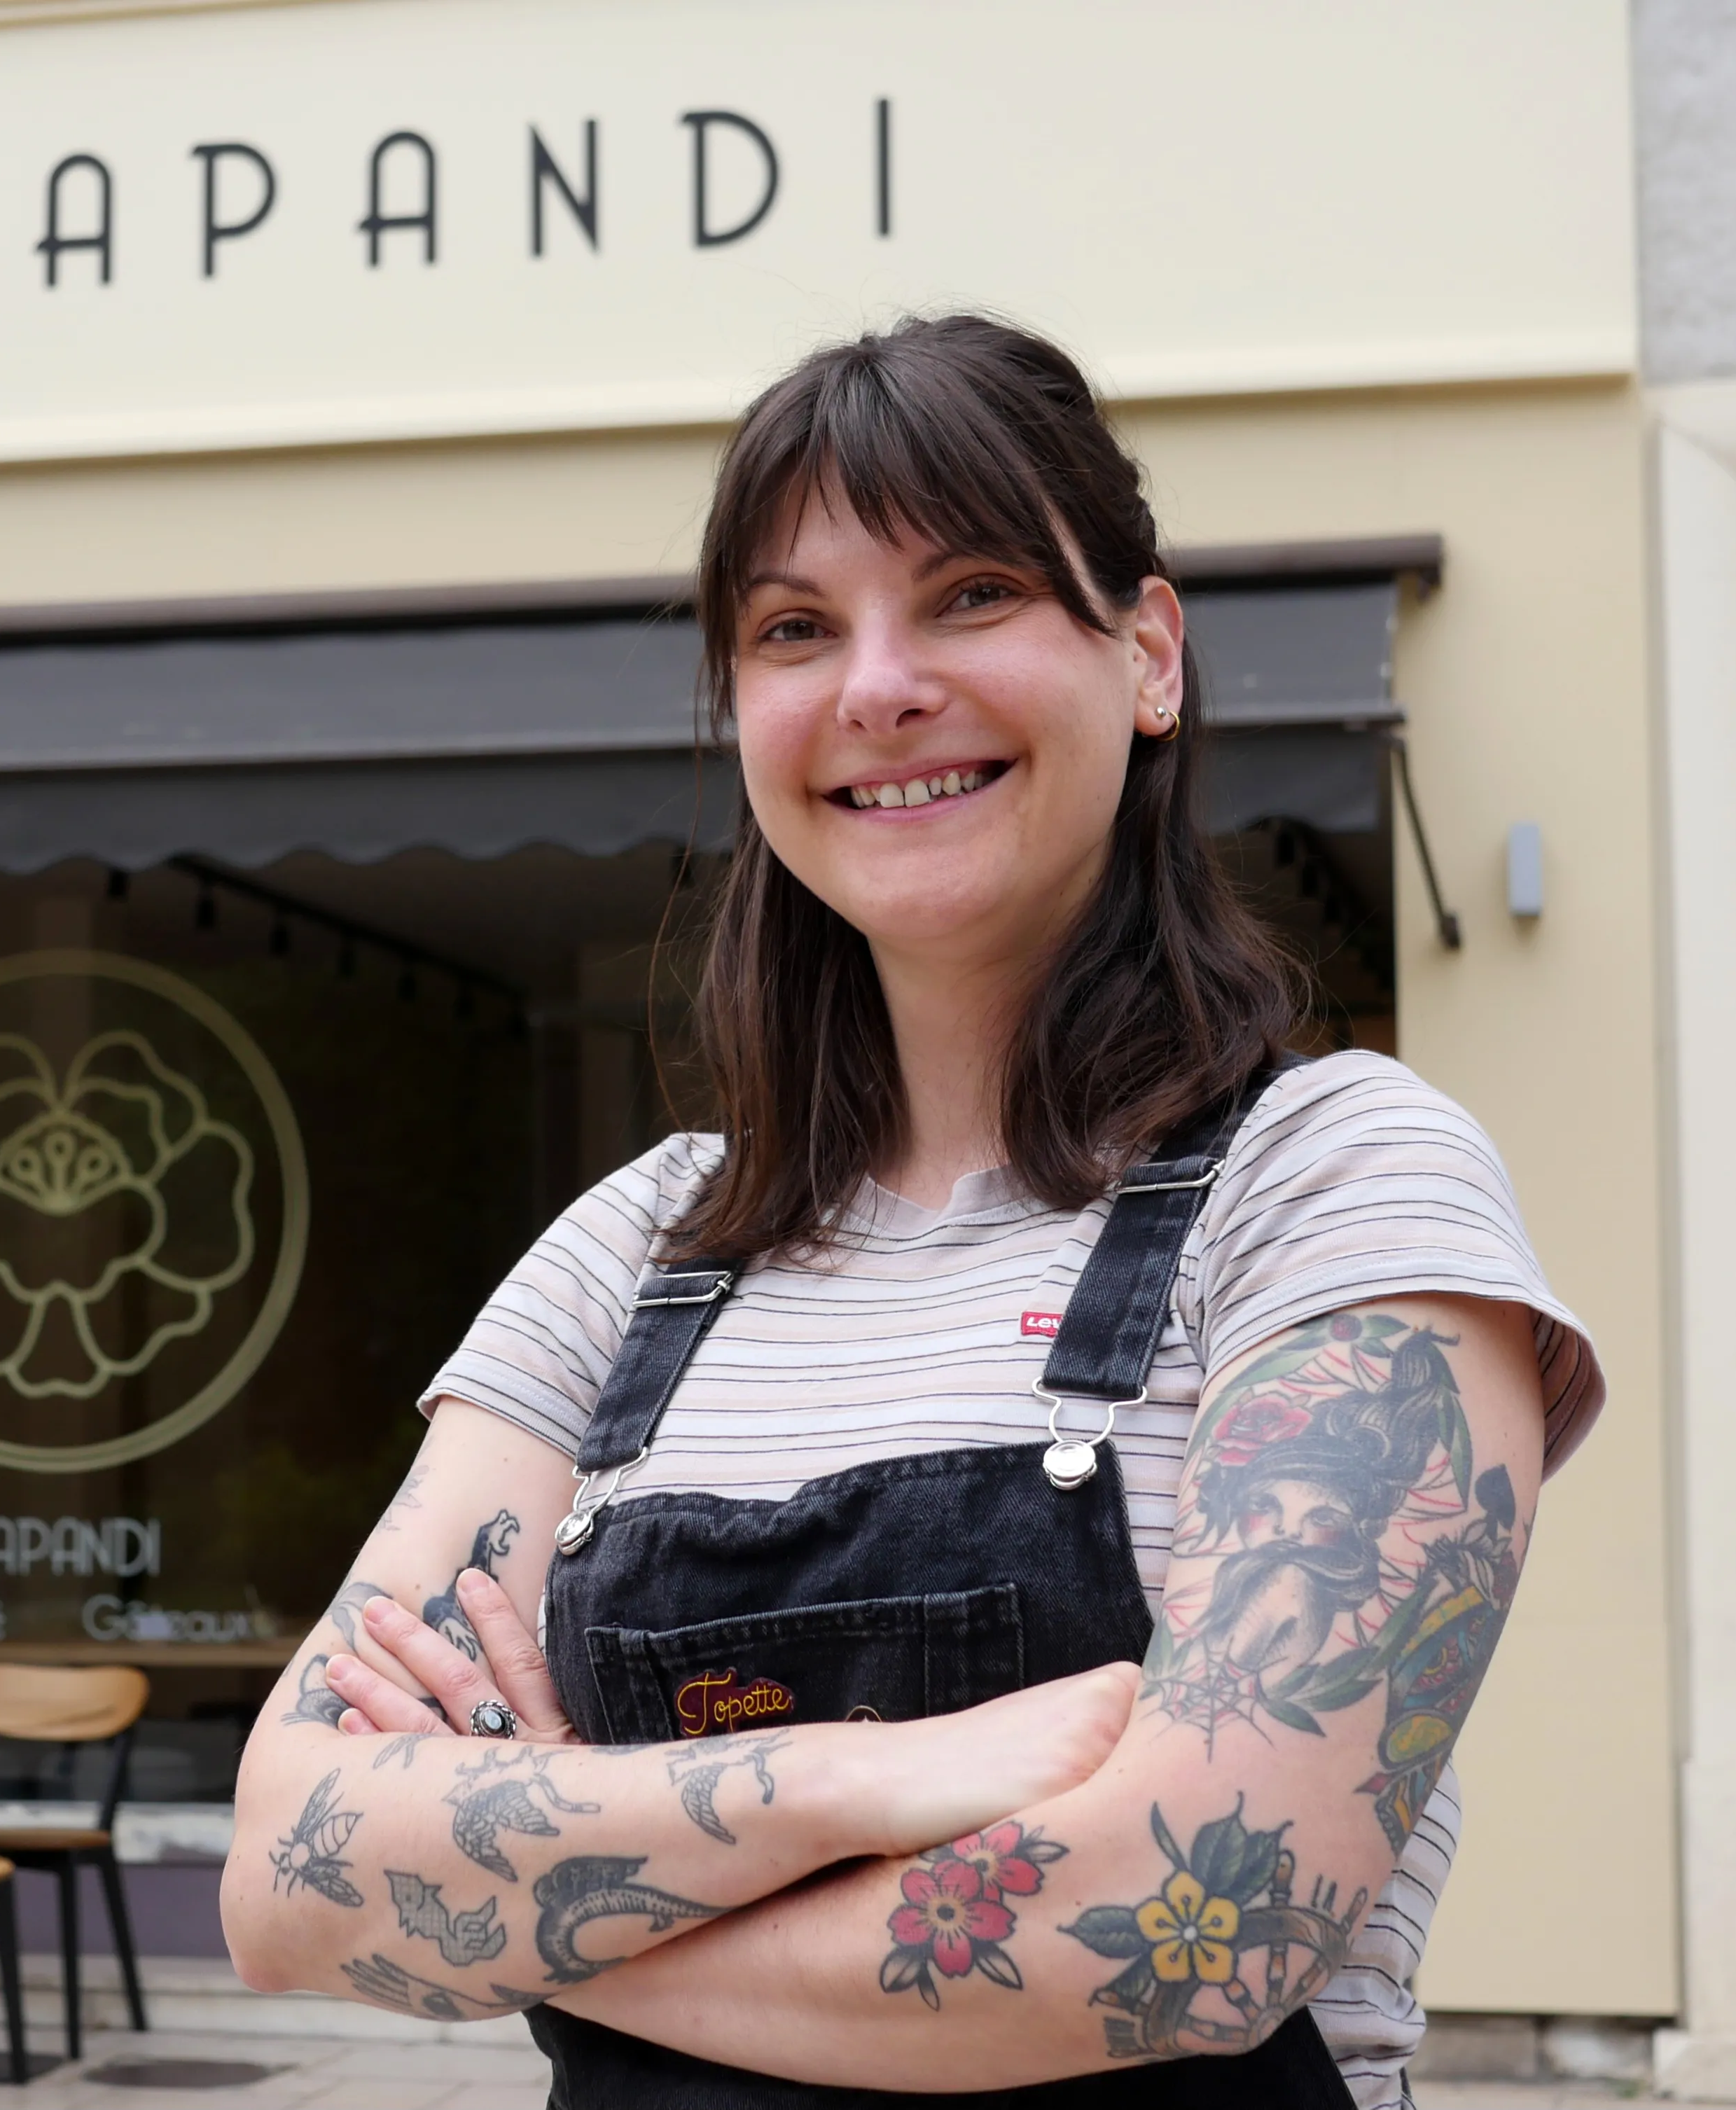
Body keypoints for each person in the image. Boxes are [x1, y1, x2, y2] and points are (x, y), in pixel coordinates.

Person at [219, 314, 1601, 2107]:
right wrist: (863, 1781)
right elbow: (288, 1885)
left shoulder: (1332, 1182)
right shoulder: (633, 1256)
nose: (878, 687)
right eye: (795, 629)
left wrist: (552, 1896)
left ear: (1147, 653)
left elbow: (1191, 1926)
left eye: (972, 594)